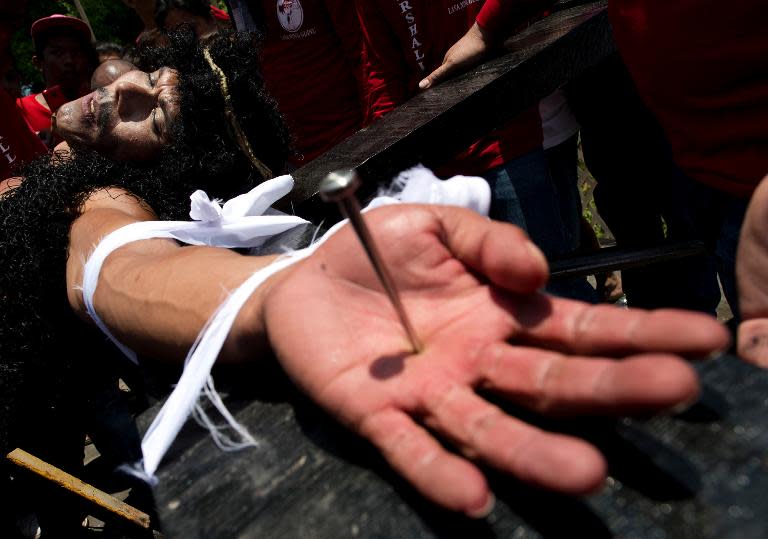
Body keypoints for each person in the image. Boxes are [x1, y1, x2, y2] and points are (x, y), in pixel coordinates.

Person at [0, 28, 731, 533]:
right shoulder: (45, 159)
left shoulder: (96, 200)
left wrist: (275, 293)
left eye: (155, 115)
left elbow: (123, 260)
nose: (123, 91)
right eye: (149, 73)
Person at [353, 0, 595, 304]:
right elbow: (381, 72)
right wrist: (391, 161)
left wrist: (484, 34)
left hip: (508, 142)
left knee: (548, 287)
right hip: (439, 165)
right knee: (480, 299)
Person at [223, 0, 367, 168]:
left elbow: (362, 50)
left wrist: (376, 126)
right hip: (294, 157)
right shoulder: (239, 4)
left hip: (350, 136)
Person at [15, 14, 97, 149]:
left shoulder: (99, 101)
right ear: (38, 62)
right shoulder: (21, 111)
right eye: (58, 53)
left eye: (75, 52)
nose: (69, 60)